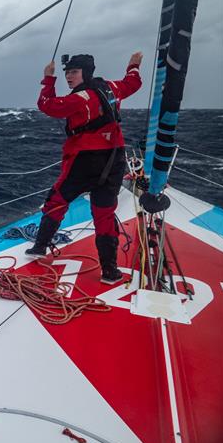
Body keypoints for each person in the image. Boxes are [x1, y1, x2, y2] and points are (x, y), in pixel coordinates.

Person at [25, 51, 143, 284]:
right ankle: (110, 271)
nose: (68, 76)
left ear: (85, 73)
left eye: (74, 72)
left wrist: (49, 79)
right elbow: (133, 83)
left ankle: (40, 247)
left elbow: (47, 105)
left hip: (84, 160)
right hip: (114, 159)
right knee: (104, 213)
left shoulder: (79, 98)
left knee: (57, 200)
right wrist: (134, 65)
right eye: (67, 72)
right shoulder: (111, 88)